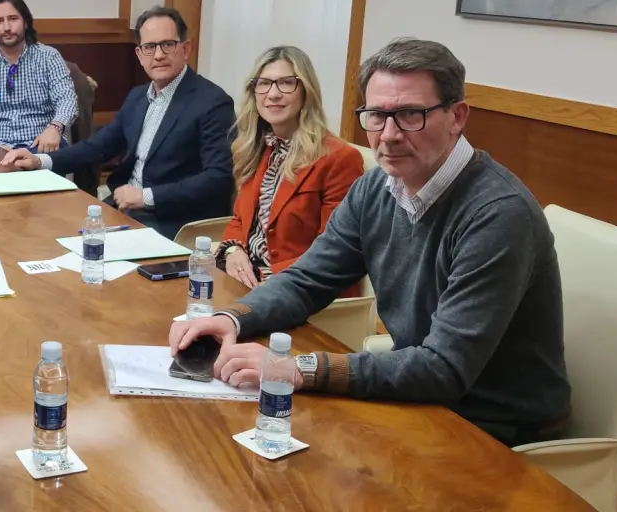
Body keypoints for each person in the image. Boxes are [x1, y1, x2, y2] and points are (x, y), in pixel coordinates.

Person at [169, 38, 570, 447]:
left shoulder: (498, 214)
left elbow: (445, 368)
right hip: (421, 397)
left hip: (491, 426)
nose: (389, 135)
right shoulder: (377, 187)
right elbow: (308, 279)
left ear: (457, 116)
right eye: (376, 115)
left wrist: (298, 368)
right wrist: (233, 319)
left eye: (410, 115)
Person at [0, 6, 233, 238]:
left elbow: (218, 177)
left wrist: (147, 196)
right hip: (124, 210)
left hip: (173, 221)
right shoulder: (138, 97)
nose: (158, 55)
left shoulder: (212, 102)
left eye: (167, 45)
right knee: (42, 230)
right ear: (139, 55)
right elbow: (98, 147)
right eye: (150, 47)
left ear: (186, 48)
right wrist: (39, 160)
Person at [215, 46, 364, 290]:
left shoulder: (339, 158)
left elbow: (333, 251)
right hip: (246, 281)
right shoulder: (257, 148)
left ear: (306, 92)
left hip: (302, 289)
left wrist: (265, 280)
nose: (273, 94)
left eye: (286, 83)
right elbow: (240, 220)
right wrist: (233, 251)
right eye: (264, 84)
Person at [0, 0, 77, 151]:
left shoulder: (49, 57)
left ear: (26, 23)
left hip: (41, 145)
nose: (6, 27)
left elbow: (67, 100)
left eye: (13, 19)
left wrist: (55, 128)